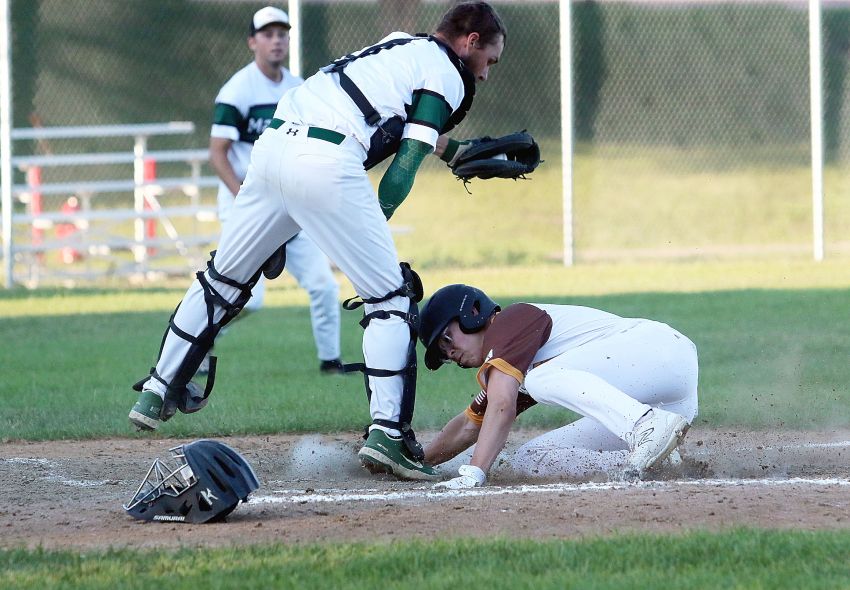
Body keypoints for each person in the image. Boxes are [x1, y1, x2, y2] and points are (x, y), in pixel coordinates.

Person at [129, 2, 508, 482]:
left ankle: (157, 388)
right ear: (471, 41)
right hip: (327, 161)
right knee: (390, 296)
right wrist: (371, 226)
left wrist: (453, 150)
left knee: (220, 280)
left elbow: (382, 111)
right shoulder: (448, 73)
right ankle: (389, 434)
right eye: (490, 60)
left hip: (272, 151)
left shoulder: (398, 44)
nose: (487, 74)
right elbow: (406, 159)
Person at [418, 284, 698, 488]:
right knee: (531, 459)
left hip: (657, 350)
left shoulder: (509, 322)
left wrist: (473, 473)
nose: (449, 353)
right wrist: (417, 462)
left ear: (473, 312)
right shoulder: (511, 363)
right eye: (442, 354)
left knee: (540, 380)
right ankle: (649, 461)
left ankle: (645, 426)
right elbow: (471, 425)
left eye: (446, 339)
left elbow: (502, 405)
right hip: (665, 401)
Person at [207, 6, 344, 375]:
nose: (277, 39)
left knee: (323, 285)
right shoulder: (237, 90)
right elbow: (217, 153)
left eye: (282, 32)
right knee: (248, 300)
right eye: (267, 34)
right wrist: (243, 198)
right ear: (253, 42)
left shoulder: (297, 88)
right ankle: (201, 337)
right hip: (248, 206)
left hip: (291, 205)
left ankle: (331, 364)